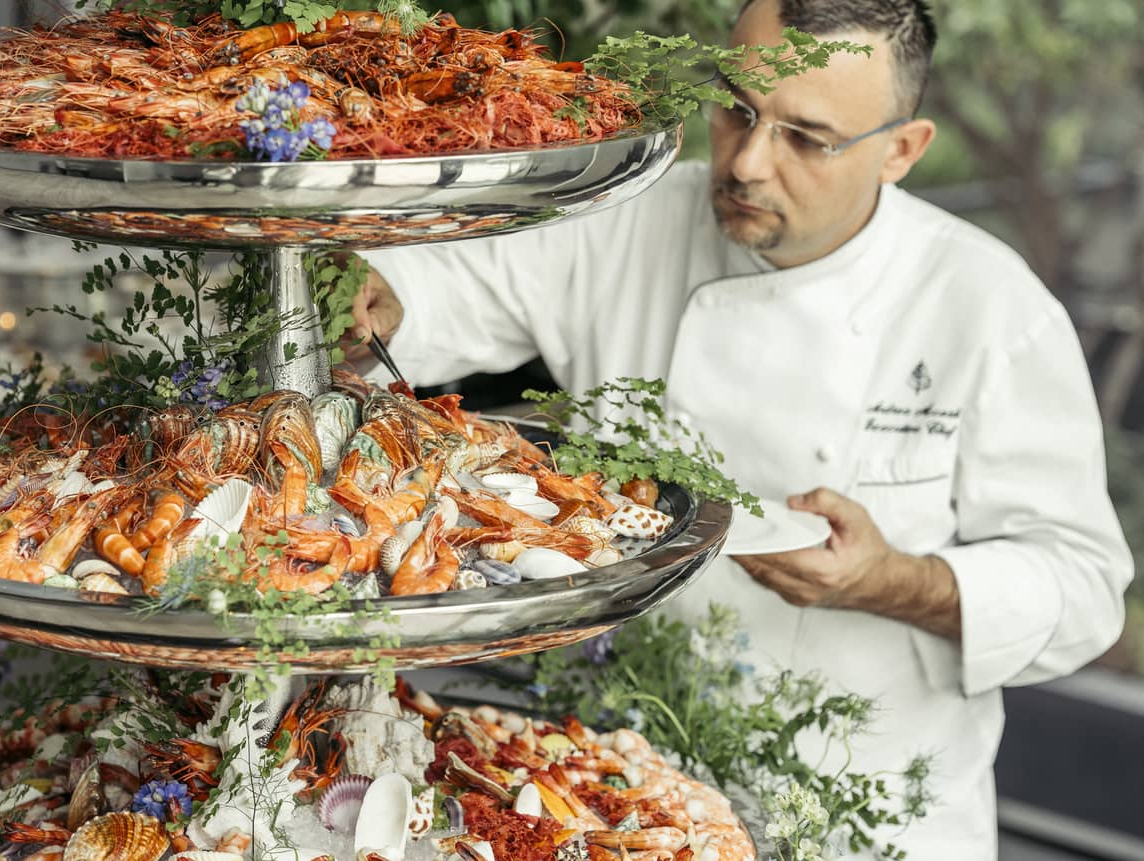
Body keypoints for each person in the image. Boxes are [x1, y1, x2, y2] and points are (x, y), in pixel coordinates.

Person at [350, 0, 1134, 856]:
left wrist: (894, 580)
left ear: (901, 151)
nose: (749, 162)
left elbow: (1084, 593)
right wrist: (374, 298)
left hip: (872, 822)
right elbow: (437, 293)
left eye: (806, 137)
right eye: (737, 110)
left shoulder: (990, 306)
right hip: (620, 787)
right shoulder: (630, 221)